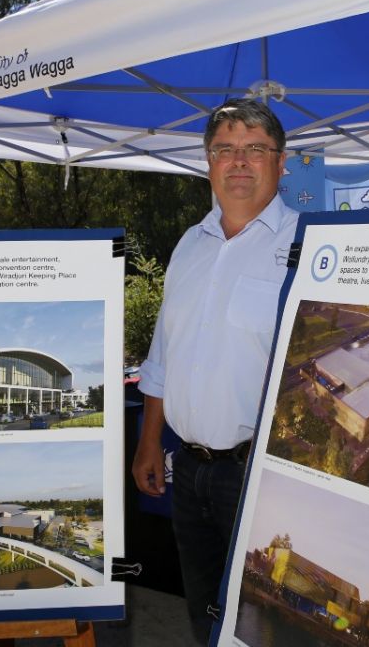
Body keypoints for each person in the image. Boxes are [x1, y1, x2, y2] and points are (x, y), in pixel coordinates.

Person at [132, 98, 297, 644]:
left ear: (281, 161)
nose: (240, 161)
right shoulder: (188, 245)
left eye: (255, 149)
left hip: (260, 477)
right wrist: (149, 441)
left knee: (258, 622)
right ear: (208, 162)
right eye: (225, 149)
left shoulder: (306, 246)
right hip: (189, 472)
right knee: (203, 614)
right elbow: (164, 354)